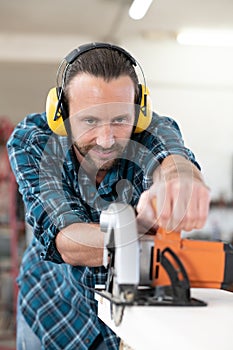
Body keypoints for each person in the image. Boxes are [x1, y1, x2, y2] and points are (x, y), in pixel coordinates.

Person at [7, 42, 210, 350]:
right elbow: (66, 240)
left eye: (119, 120)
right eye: (90, 121)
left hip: (123, 324)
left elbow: (173, 158)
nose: (106, 139)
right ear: (61, 114)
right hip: (52, 315)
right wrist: (135, 231)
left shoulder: (151, 129)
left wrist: (183, 181)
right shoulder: (33, 141)